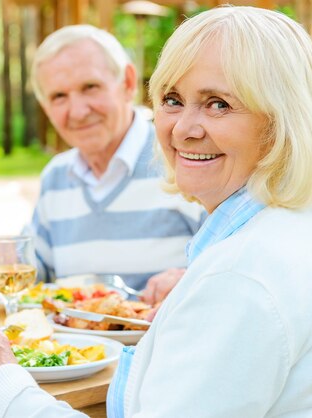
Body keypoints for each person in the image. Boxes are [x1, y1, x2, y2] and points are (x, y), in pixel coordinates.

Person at [0, 6, 312, 417]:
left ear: (282, 119)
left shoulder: (241, 275)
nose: (182, 129)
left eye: (219, 104)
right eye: (173, 99)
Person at [28, 24, 205, 292]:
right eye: (59, 96)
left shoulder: (187, 158)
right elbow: (32, 273)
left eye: (90, 87)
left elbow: (234, 265)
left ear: (128, 83)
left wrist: (190, 280)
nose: (77, 111)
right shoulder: (56, 176)